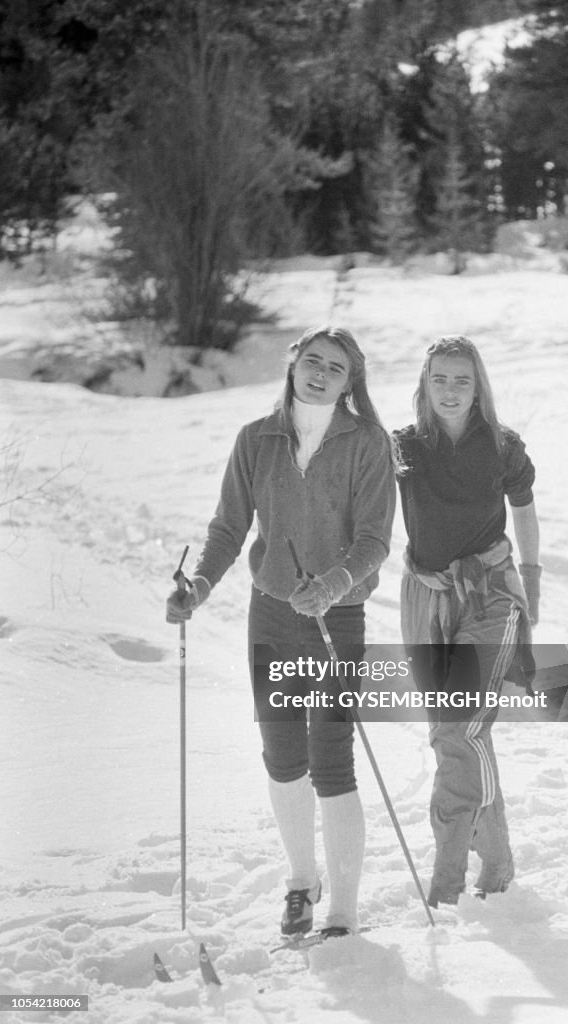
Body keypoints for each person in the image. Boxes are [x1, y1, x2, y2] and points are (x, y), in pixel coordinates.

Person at [166, 325, 396, 938]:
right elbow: (228, 528)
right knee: (282, 756)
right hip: (270, 618)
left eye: (336, 368)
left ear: (352, 382)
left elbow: (375, 540)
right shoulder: (256, 439)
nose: (321, 374)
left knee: (331, 760)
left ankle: (343, 909)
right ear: (293, 365)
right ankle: (301, 882)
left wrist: (333, 584)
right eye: (312, 361)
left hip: (336, 620)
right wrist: (199, 585)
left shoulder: (366, 442)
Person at [394, 335, 540, 908]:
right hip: (425, 598)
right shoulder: (402, 447)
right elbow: (371, 509)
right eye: (440, 379)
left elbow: (524, 512)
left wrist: (532, 581)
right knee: (453, 735)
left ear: (478, 386)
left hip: (490, 595)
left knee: (462, 729)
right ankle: (498, 863)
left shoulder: (501, 446)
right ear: (423, 387)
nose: (450, 390)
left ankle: (447, 880)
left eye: (462, 379)